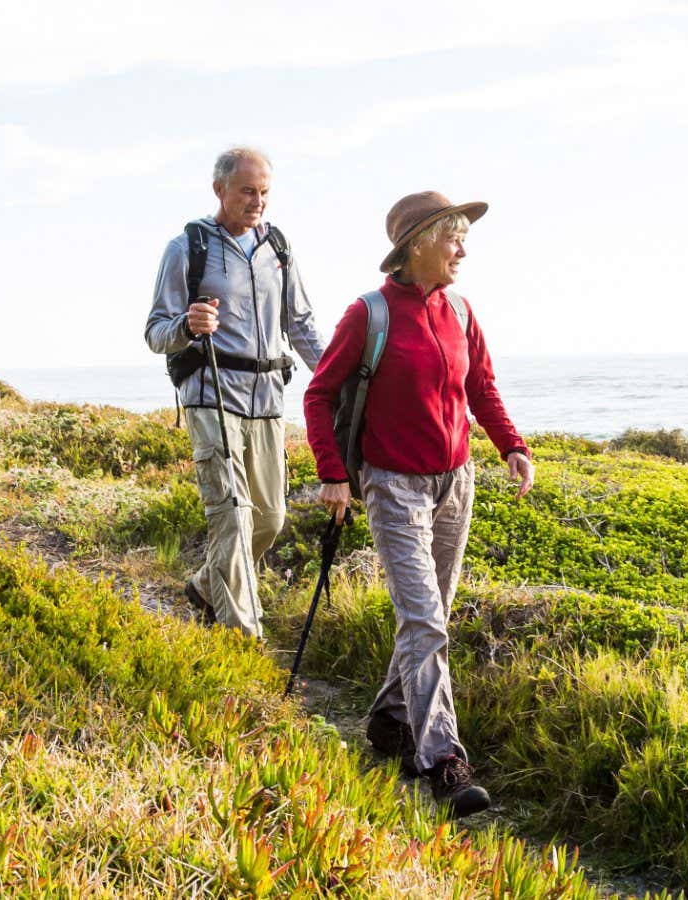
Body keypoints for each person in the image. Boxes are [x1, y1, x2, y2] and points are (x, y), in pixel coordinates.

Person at [302, 191, 534, 817]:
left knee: (428, 618)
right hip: (393, 485)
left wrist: (511, 445)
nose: (463, 249)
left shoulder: (460, 309)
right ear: (417, 245)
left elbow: (481, 387)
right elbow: (318, 396)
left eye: (463, 237)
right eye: (453, 237)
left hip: (456, 481)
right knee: (425, 621)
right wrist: (333, 474)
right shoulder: (369, 314)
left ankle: (386, 720)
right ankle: (444, 763)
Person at [146, 147, 324, 639]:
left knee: (269, 518)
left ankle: (206, 585)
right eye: (248, 190)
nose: (258, 201)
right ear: (219, 189)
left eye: (265, 191)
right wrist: (187, 324)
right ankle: (245, 635)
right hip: (211, 396)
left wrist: (334, 378)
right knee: (233, 519)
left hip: (267, 400)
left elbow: (301, 324)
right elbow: (156, 330)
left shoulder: (279, 249)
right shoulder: (187, 247)